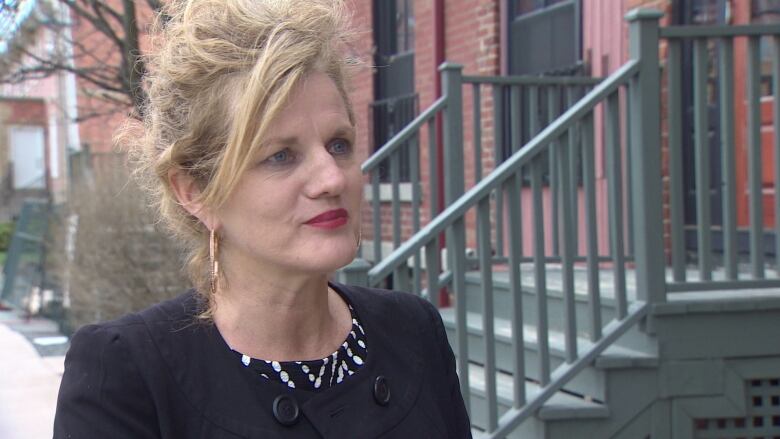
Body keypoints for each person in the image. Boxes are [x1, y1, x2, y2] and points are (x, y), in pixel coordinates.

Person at [52, 0, 472, 438]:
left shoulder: (414, 332)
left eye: (339, 144)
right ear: (195, 191)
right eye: (281, 156)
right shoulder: (125, 376)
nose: (330, 177)